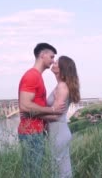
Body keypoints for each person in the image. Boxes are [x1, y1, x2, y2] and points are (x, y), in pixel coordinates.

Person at [18, 43, 65, 178]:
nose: (53, 61)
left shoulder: (38, 76)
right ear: (42, 55)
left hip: (35, 131)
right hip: (31, 132)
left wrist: (52, 115)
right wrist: (52, 109)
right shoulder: (32, 76)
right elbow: (25, 106)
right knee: (32, 172)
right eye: (51, 57)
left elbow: (30, 109)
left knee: (34, 171)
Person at [44, 55, 80, 178]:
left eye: (57, 63)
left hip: (58, 133)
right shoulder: (62, 85)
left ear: (62, 69)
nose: (53, 63)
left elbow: (55, 115)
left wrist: (34, 114)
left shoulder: (62, 87)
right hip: (60, 131)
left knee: (57, 171)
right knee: (64, 170)